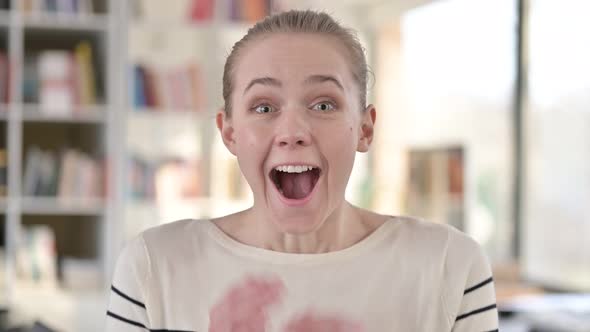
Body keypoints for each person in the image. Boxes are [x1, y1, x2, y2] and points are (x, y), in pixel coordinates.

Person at [105, 10, 498, 332]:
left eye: (324, 105)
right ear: (229, 134)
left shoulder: (450, 265)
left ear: (365, 128)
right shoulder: (152, 266)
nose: (292, 132)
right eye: (263, 107)